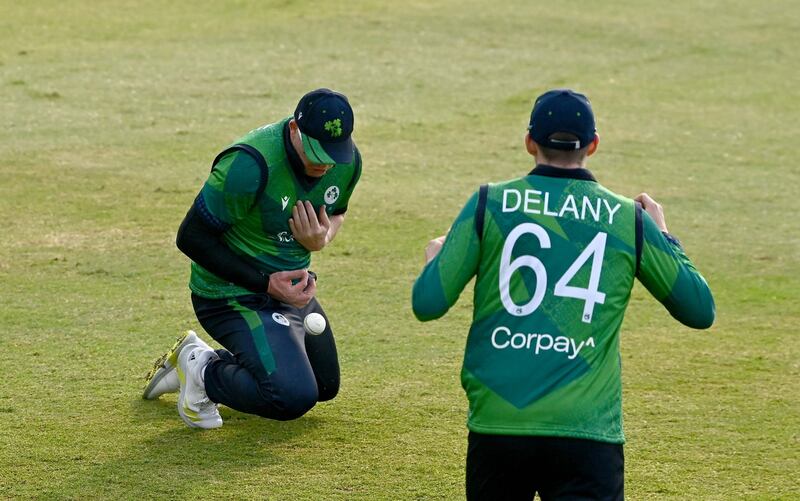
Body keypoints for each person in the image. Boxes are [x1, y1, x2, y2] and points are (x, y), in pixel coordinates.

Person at [411, 89, 715, 500]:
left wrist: (435, 260)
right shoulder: (629, 220)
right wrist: (665, 237)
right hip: (586, 429)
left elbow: (427, 303)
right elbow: (700, 310)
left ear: (529, 142)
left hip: (500, 422)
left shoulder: (489, 203)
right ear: (593, 144)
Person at [142, 88, 362, 429]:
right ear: (294, 129)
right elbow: (191, 237)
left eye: (332, 154)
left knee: (324, 386)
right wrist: (265, 284)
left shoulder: (345, 162)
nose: (324, 164)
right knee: (291, 396)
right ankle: (201, 368)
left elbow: (337, 213)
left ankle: (204, 360)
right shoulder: (248, 165)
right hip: (230, 295)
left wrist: (322, 238)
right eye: (315, 151)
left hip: (289, 291)